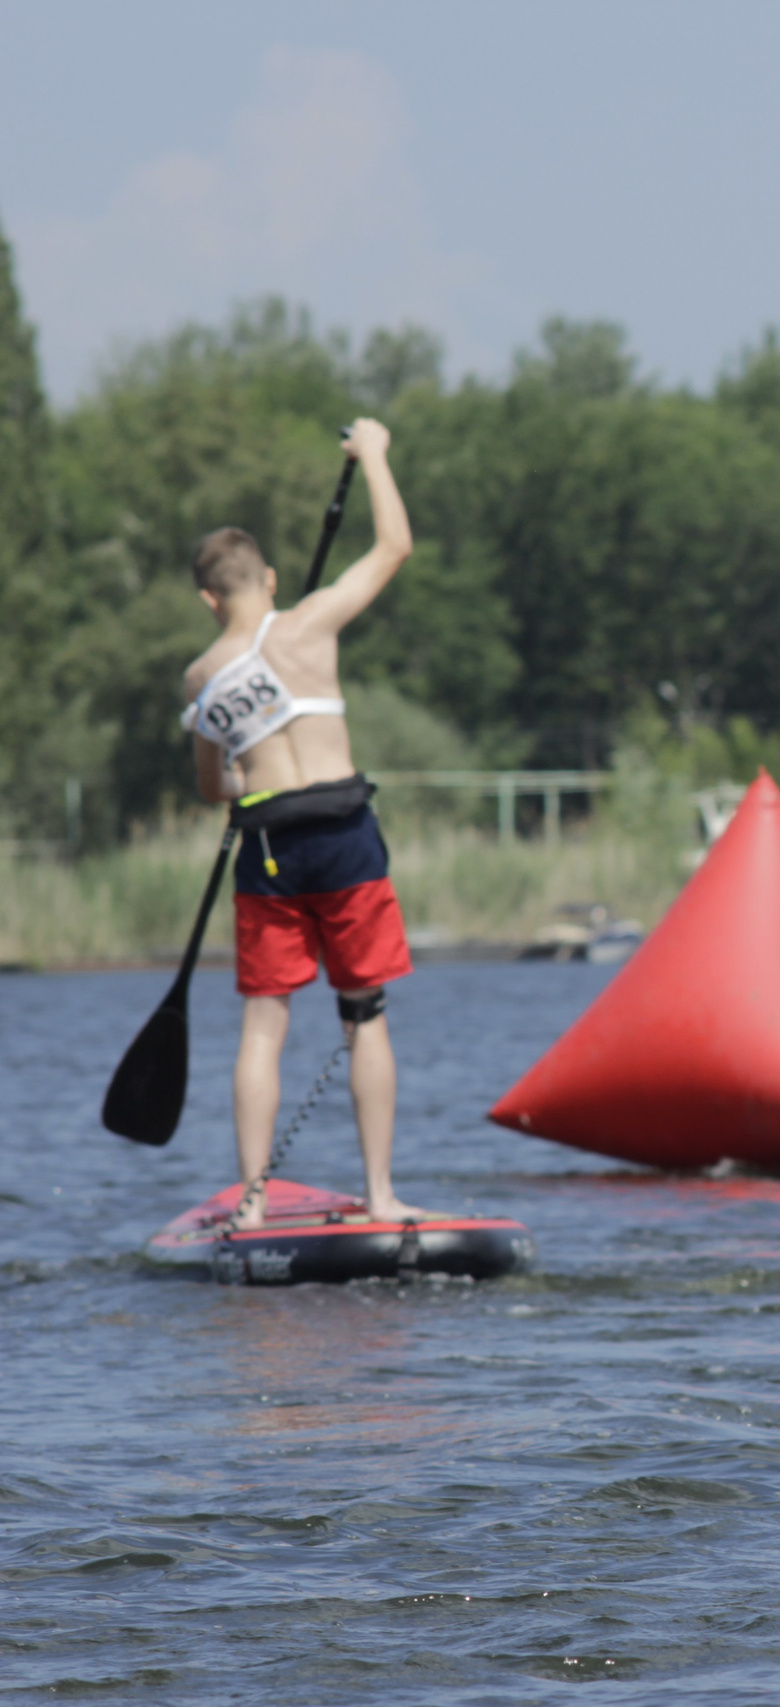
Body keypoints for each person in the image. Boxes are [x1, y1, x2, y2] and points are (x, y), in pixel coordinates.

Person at [180, 419, 418, 1228]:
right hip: (346, 838)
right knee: (364, 1012)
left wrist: (249, 773)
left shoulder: (201, 678)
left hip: (269, 848)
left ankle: (249, 1205)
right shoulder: (311, 620)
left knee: (263, 1025)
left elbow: (217, 786)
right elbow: (393, 546)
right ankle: (380, 1193)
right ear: (271, 579)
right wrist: (374, 457)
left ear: (209, 599)